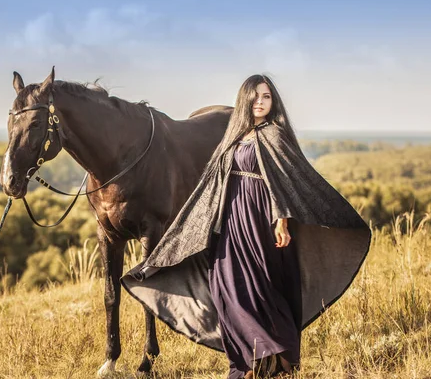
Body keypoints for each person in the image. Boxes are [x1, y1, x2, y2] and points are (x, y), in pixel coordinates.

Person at [122, 74, 371, 379]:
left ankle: (273, 355)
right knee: (225, 288)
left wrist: (281, 220)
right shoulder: (235, 136)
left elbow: (285, 181)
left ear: (273, 101)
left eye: (266, 97)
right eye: (255, 97)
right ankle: (250, 360)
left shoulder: (275, 135)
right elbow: (212, 183)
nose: (260, 103)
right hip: (229, 221)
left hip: (260, 220)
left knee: (260, 289)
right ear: (245, 100)